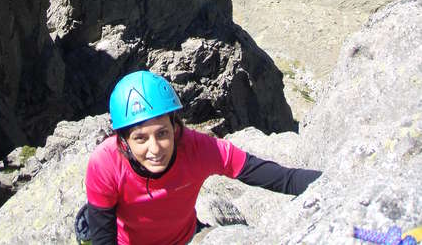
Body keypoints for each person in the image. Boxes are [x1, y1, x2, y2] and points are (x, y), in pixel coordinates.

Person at [84, 70, 321, 245]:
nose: (155, 149)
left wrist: (333, 183)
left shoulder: (199, 149)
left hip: (185, 239)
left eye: (162, 133)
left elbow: (281, 177)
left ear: (176, 128)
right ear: (123, 141)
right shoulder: (105, 164)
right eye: (140, 138)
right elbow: (104, 240)